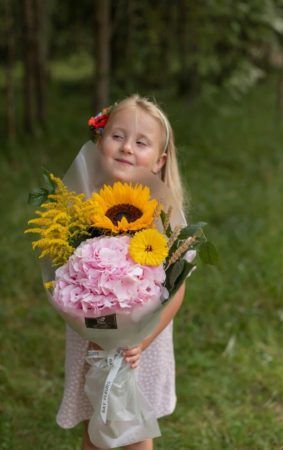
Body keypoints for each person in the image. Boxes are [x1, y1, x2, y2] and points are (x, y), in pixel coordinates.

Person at [56, 94, 187, 450]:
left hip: (141, 346)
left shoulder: (164, 215)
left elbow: (177, 292)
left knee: (134, 430)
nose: (127, 147)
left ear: (159, 161)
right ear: (99, 142)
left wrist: (140, 342)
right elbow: (65, 276)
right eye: (117, 136)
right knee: (94, 424)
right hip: (94, 340)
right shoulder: (82, 208)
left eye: (141, 142)